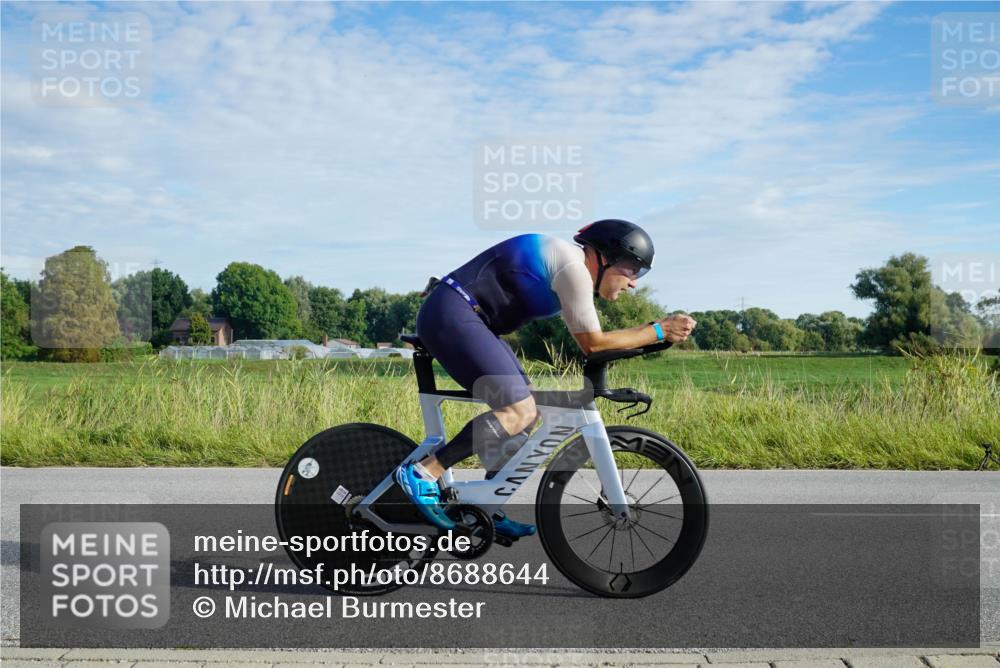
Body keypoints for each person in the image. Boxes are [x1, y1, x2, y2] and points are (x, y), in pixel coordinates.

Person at [395, 219, 697, 538]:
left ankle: (485, 505)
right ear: (607, 257)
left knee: (525, 415)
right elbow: (593, 343)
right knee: (518, 410)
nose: (634, 282)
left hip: (469, 318)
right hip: (454, 314)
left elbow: (595, 345)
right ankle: (423, 474)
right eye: (633, 269)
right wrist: (659, 330)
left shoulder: (572, 270)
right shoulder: (573, 270)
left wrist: (654, 335)